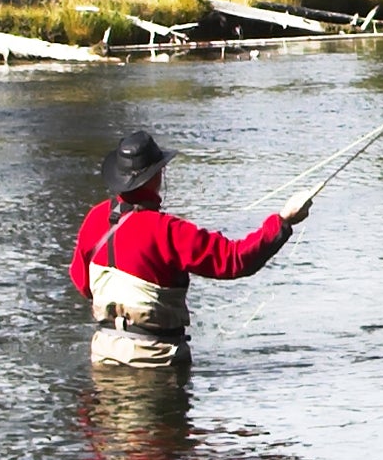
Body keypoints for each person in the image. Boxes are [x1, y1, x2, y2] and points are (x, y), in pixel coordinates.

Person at [70, 129, 311, 368]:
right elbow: (236, 260)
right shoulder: (167, 230)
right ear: (157, 176)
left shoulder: (95, 218)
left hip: (104, 355)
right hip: (157, 363)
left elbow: (82, 282)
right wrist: (283, 220)